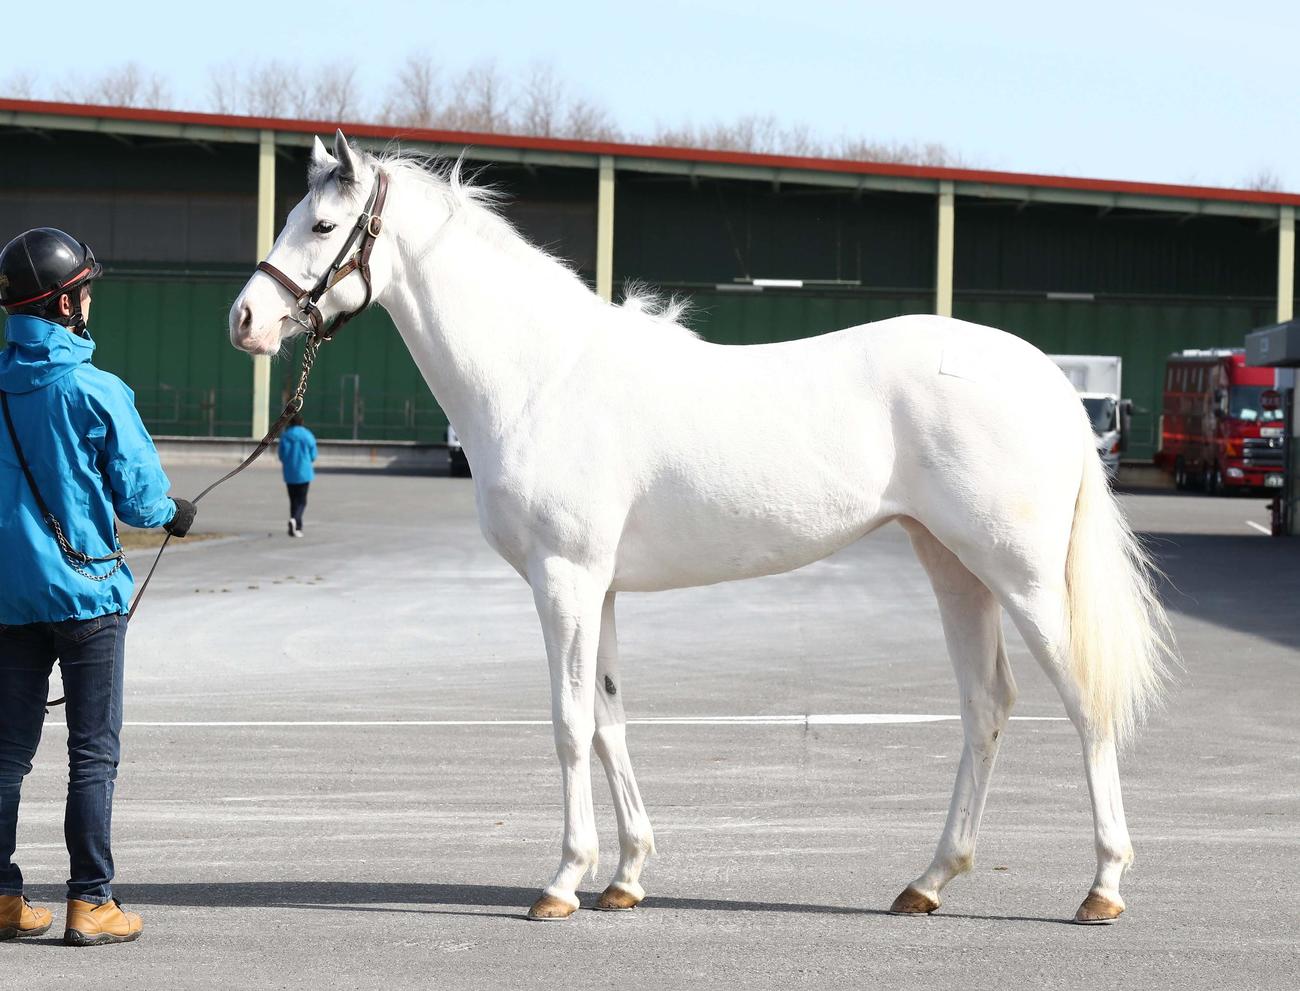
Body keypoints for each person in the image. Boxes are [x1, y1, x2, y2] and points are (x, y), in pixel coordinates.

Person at [0, 228, 196, 947]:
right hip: (87, 600)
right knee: (93, 753)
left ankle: (0, 896)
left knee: (5, 754)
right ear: (61, 303)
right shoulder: (95, 389)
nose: (90, 299)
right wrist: (175, 512)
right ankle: (91, 900)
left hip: (7, 603)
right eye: (83, 289)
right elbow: (142, 500)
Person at [278, 413, 317, 537]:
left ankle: (294, 527)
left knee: (293, 500)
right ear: (302, 422)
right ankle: (296, 521)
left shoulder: (285, 436)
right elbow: (313, 455)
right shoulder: (307, 435)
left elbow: (281, 455)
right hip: (304, 472)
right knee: (302, 501)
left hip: (290, 472)